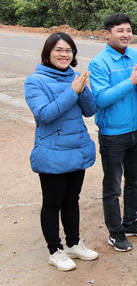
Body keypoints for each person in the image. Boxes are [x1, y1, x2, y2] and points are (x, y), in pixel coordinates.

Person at [25, 33, 99, 271]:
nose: (64, 54)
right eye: (59, 50)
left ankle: (74, 243)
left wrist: (83, 89)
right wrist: (72, 91)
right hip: (52, 153)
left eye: (69, 50)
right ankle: (55, 250)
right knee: (52, 203)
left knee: (72, 201)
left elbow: (90, 110)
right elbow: (44, 114)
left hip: (76, 149)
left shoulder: (75, 78)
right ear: (48, 53)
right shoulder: (35, 81)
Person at [89, 14, 137, 253]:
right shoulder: (99, 63)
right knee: (113, 187)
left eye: (128, 30)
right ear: (107, 34)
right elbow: (101, 99)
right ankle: (115, 232)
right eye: (120, 31)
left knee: (135, 181)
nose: (126, 35)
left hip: (135, 130)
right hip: (112, 134)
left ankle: (130, 222)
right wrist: (131, 81)